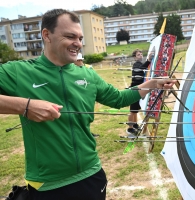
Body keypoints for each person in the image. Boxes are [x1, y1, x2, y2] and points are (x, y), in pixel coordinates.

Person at [0, 9, 175, 200]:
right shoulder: (19, 72)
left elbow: (117, 98)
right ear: (46, 35)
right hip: (47, 185)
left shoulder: (87, 74)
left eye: (80, 37)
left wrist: (152, 83)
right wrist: (25, 106)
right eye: (70, 36)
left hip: (91, 175)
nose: (78, 43)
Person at [126, 49, 153, 136]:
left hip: (138, 90)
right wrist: (148, 60)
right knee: (132, 111)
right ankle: (130, 129)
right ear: (134, 57)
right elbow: (141, 69)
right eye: (138, 55)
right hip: (134, 90)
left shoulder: (140, 64)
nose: (140, 55)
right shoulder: (136, 65)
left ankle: (135, 124)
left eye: (141, 54)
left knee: (135, 110)